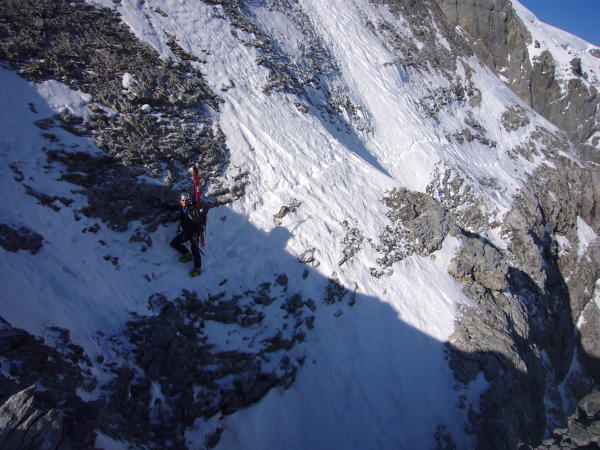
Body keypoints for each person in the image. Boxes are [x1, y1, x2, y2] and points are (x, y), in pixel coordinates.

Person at [170, 192, 207, 277]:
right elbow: (175, 208)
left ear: (189, 200)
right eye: (182, 200)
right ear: (180, 200)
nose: (184, 202)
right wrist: (165, 206)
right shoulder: (183, 208)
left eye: (186, 200)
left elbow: (197, 223)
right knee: (174, 243)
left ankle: (198, 269)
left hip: (194, 233)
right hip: (187, 232)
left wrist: (194, 235)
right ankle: (187, 254)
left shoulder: (191, 210)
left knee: (195, 249)